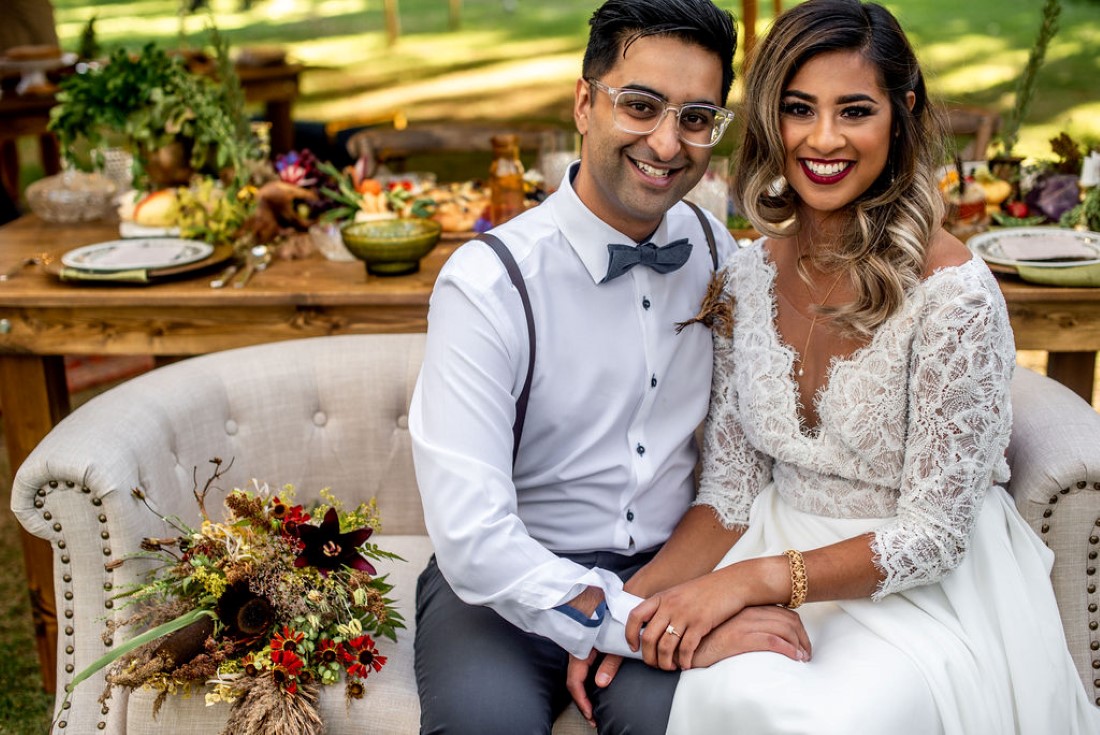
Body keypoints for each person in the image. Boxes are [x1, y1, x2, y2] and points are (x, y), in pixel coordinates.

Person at [577, 1, 1100, 732]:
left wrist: (753, 582)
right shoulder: (746, 277)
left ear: (901, 112)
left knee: (831, 716)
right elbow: (730, 491)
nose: (823, 139)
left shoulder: (955, 296)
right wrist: (622, 608)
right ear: (771, 119)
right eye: (799, 109)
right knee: (735, 693)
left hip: (921, 586)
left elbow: (934, 535)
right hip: (768, 548)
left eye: (854, 110)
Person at [408, 1, 811, 732]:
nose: (666, 141)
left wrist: (683, 605)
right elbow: (472, 537)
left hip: (672, 570)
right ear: (584, 103)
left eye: (695, 117)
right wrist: (621, 622)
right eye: (640, 105)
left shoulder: (718, 253)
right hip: (502, 589)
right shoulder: (488, 284)